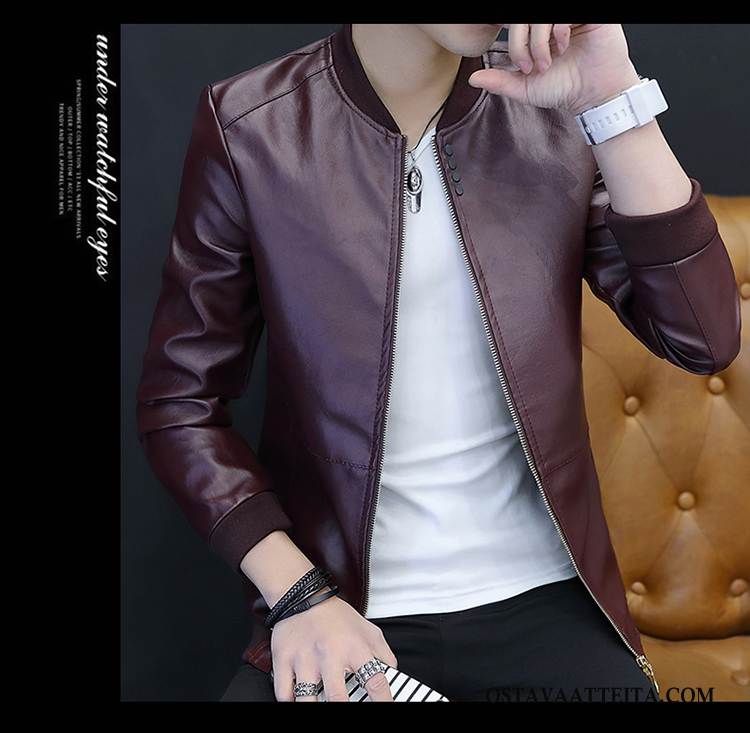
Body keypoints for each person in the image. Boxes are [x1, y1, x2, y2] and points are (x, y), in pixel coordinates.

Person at [135, 23, 741, 702]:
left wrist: (612, 95)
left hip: (549, 602)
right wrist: (299, 595)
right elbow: (180, 404)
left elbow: (704, 337)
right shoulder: (253, 124)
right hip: (342, 607)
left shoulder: (553, 108)